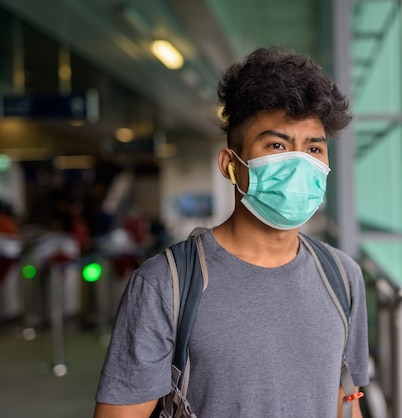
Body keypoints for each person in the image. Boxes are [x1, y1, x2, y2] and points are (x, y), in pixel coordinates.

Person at [94, 46, 369, 418]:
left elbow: (344, 402)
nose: (299, 163)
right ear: (231, 165)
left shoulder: (343, 277)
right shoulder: (166, 284)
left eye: (314, 148)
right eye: (276, 145)